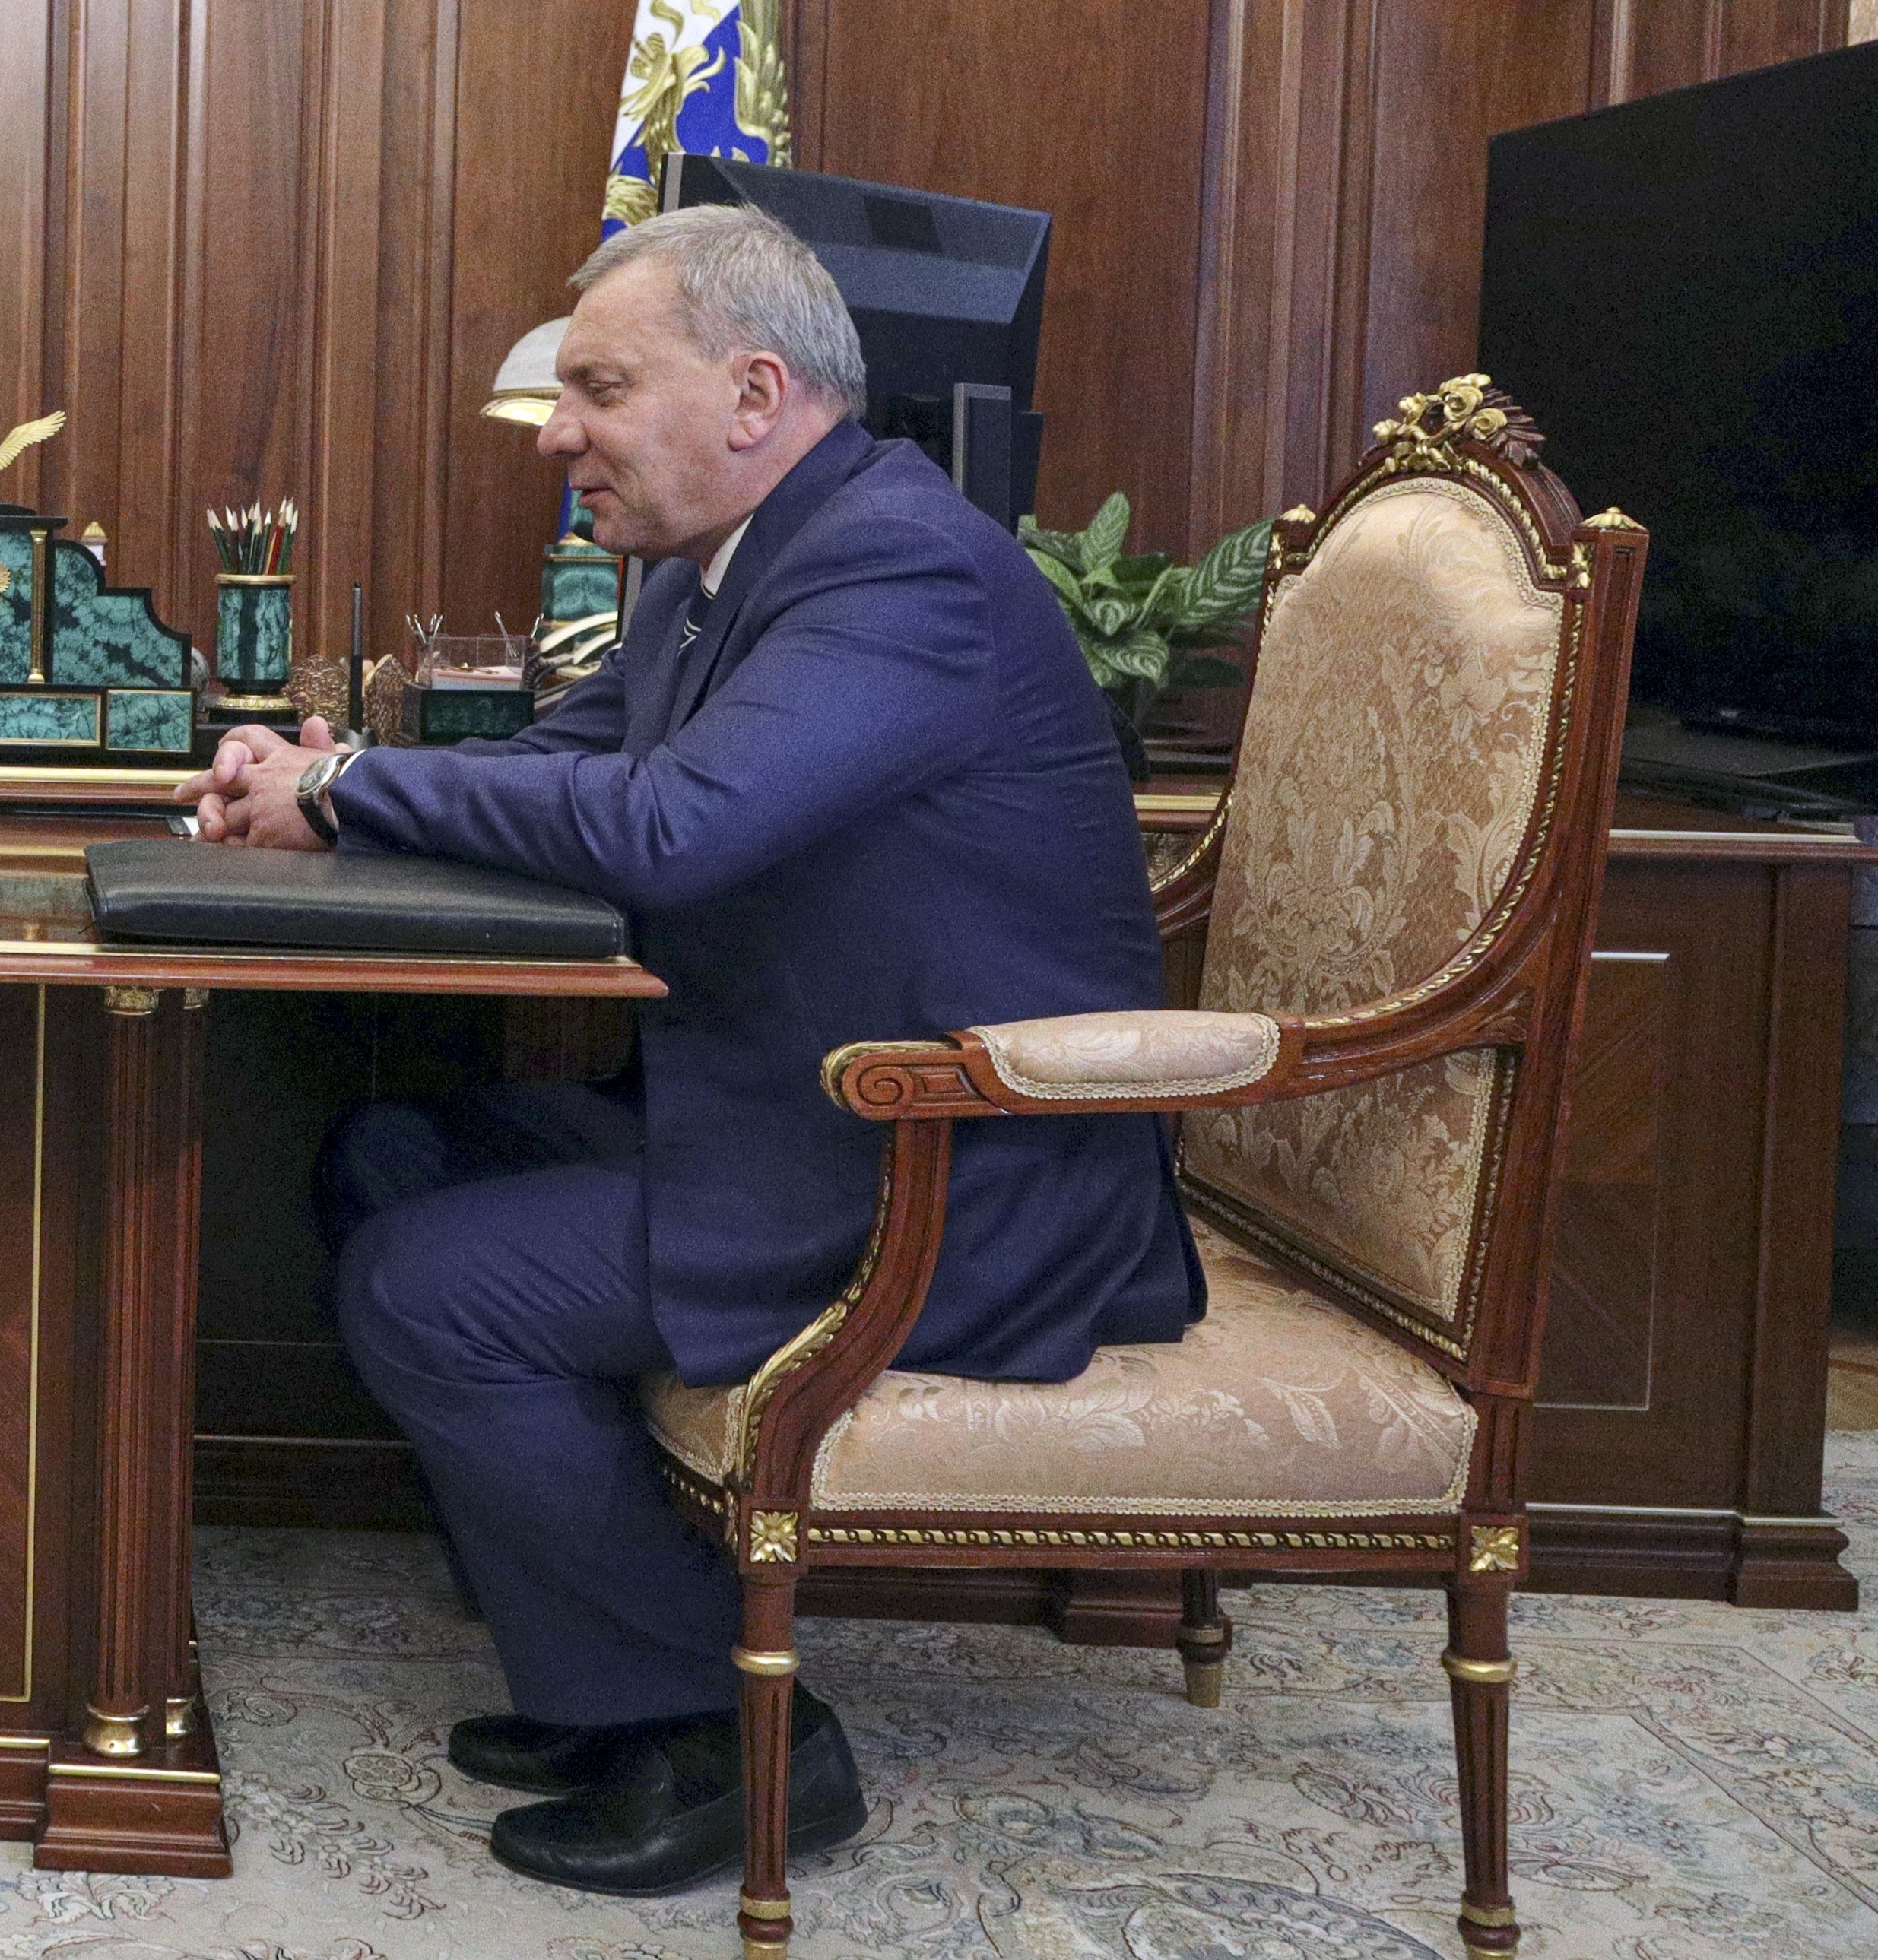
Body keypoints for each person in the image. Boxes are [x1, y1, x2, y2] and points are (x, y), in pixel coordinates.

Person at [177, 204, 1201, 1899]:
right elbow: (565, 752)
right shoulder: (714, 561)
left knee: (434, 1286)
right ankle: (601, 1670)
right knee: (387, 1154)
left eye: (593, 384)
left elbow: (675, 822)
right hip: (791, 1120)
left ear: (750, 391)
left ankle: (729, 1733)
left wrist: (349, 789)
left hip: (954, 1169)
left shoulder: (897, 566)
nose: (554, 430)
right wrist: (319, 778)